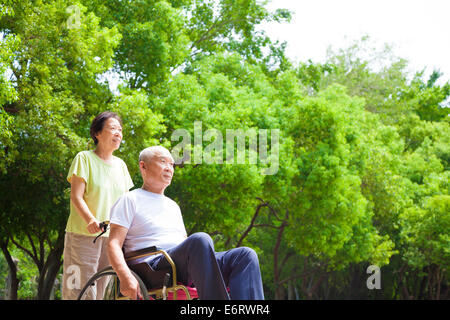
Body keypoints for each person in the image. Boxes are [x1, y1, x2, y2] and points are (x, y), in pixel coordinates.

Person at [107, 146, 264, 300]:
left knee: (245, 255)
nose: (169, 168)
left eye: (171, 164)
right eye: (163, 162)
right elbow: (113, 243)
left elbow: (185, 244)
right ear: (143, 166)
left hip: (183, 262)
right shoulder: (129, 199)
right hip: (153, 266)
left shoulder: (172, 205)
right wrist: (124, 275)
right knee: (200, 240)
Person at [62, 111, 134, 300]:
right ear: (97, 133)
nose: (118, 133)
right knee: (78, 290)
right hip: (82, 236)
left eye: (120, 130)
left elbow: (126, 204)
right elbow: (76, 197)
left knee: (100, 292)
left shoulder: (121, 166)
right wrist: (91, 220)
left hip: (112, 240)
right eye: (112, 128)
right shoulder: (84, 158)